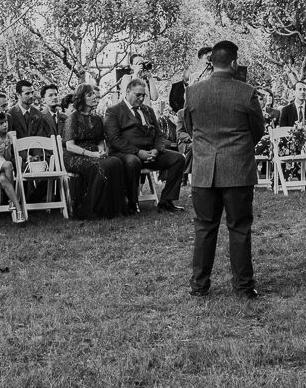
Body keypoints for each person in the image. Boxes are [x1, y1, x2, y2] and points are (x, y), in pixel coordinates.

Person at [186, 40, 265, 298]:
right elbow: (258, 129)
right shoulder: (246, 92)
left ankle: (199, 285)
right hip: (237, 169)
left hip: (203, 169)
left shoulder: (193, 92)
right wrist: (240, 147)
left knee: (204, 228)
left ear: (211, 62)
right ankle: (242, 286)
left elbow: (190, 127)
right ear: (233, 63)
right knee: (240, 228)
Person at [104, 76, 188, 214]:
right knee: (133, 162)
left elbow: (159, 135)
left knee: (179, 158)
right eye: (138, 95)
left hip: (150, 153)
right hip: (126, 154)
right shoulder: (114, 111)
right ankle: (132, 203)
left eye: (144, 95)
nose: (141, 99)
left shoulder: (148, 110)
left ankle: (166, 201)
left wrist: (156, 149)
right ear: (127, 92)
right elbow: (114, 139)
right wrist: (138, 152)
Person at [60, 85, 131, 219]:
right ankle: (91, 209)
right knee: (100, 166)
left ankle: (113, 208)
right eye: (89, 95)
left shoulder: (97, 118)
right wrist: (93, 155)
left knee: (116, 162)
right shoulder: (72, 118)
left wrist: (102, 152)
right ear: (81, 98)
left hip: (94, 153)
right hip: (74, 156)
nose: (94, 97)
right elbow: (70, 146)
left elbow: (99, 141)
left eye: (94, 94)